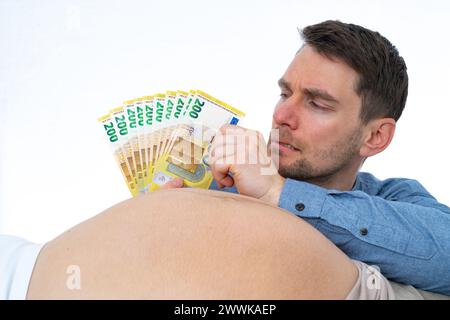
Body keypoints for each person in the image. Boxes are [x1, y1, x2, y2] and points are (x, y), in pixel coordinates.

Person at [1, 20, 449, 300]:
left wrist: (277, 193)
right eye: (284, 92)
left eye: (317, 103)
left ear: (374, 136)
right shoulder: (222, 173)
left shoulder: (394, 198)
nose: (281, 115)